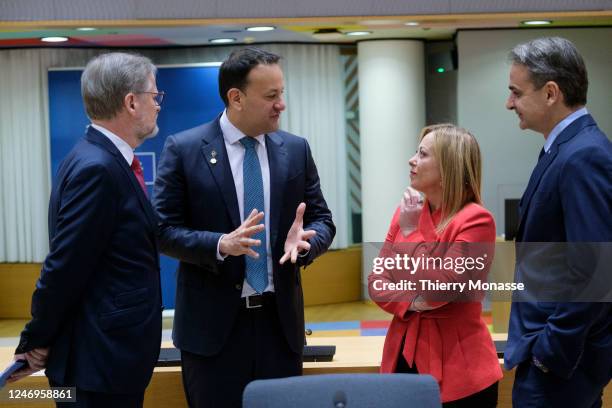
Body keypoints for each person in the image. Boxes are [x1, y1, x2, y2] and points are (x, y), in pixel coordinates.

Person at [152, 47, 335, 408]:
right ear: (236, 97)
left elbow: (322, 220)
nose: (281, 104)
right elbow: (161, 229)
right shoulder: (185, 149)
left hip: (279, 328)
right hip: (212, 333)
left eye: (282, 93)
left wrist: (306, 245)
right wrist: (221, 243)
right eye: (271, 96)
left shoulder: (295, 149)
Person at [9, 52, 164, 407]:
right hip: (98, 365)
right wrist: (35, 340)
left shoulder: (92, 156)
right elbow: (65, 266)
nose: (158, 105)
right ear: (131, 102)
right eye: (155, 96)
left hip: (106, 360)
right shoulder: (98, 168)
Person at [503, 37, 612, 407]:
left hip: (562, 365)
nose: (509, 103)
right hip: (557, 360)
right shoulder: (567, 148)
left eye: (516, 92)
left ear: (551, 93)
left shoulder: (583, 156)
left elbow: (595, 270)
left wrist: (549, 353)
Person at [368, 124, 502, 407]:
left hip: (461, 370)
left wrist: (407, 234)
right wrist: (415, 302)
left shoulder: (476, 220)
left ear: (448, 168)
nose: (411, 160)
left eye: (422, 154)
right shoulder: (406, 211)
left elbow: (442, 287)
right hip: (402, 357)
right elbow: (377, 282)